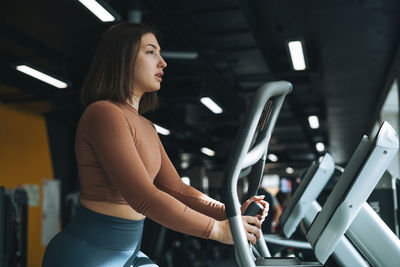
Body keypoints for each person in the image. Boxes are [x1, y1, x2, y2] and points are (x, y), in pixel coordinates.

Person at [42, 22, 269, 267]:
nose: (163, 62)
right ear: (123, 58)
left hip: (128, 253)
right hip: (88, 255)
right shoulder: (103, 113)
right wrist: (215, 230)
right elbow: (143, 196)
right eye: (151, 52)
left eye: (160, 53)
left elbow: (176, 188)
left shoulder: (147, 127)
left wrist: (228, 213)